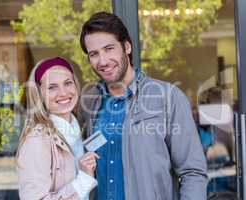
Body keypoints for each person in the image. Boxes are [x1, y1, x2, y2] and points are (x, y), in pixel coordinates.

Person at [79, 12, 208, 200]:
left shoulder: (167, 98)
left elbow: (192, 173)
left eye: (109, 49)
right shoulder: (90, 102)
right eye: (94, 54)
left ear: (127, 47)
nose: (103, 61)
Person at [17, 57, 98, 200]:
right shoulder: (37, 140)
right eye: (52, 87)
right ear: (39, 94)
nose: (63, 93)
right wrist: (84, 179)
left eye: (68, 83)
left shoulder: (81, 129)